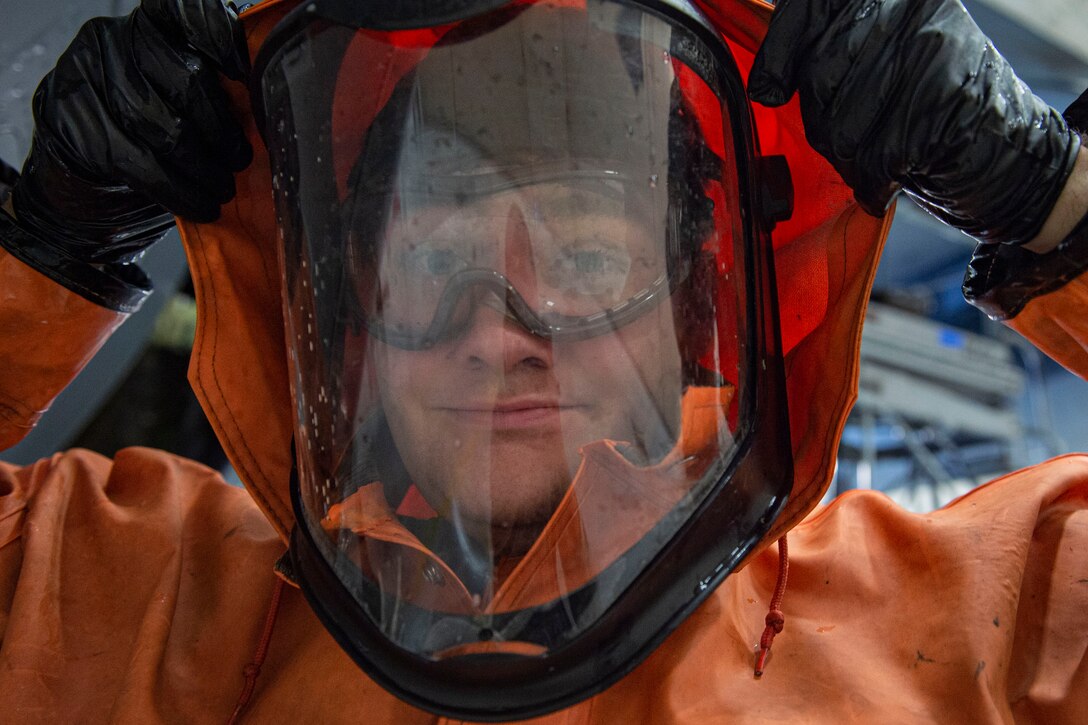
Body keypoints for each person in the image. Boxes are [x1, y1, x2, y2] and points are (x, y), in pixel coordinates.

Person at [0, 0, 1085, 722]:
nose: (496, 328)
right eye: (432, 257)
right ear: (351, 322)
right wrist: (39, 251)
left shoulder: (985, 629)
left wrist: (1056, 198)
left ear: (693, 308)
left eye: (582, 256)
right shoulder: (133, 601)